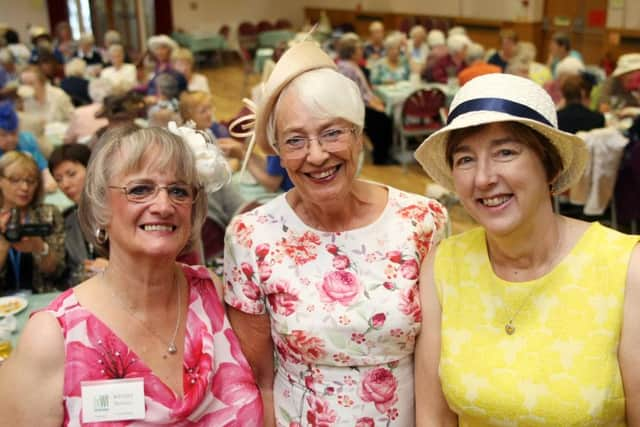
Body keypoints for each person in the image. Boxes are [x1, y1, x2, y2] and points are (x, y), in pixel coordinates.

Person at [224, 40, 448, 427]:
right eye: (295, 140)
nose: (315, 155)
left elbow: (436, 365)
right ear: (278, 151)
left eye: (332, 133)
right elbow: (259, 380)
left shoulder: (422, 220)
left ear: (359, 135)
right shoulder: (250, 236)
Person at [414, 73, 640, 424]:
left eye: (506, 152)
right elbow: (434, 419)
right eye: (465, 159)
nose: (483, 178)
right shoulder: (444, 266)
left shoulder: (625, 268)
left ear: (549, 166)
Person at [0, 124, 264, 425]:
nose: (164, 206)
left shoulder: (209, 293)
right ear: (101, 207)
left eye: (178, 191)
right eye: (140, 189)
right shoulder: (55, 336)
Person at [0, 151, 64, 294]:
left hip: (41, 300)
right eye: (15, 180)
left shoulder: (48, 214)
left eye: (31, 181)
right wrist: (3, 244)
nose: (24, 188)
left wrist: (41, 248)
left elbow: (57, 272)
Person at [49, 143, 108, 286]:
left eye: (71, 174)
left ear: (92, 170)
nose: (65, 184)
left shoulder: (119, 210)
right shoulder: (67, 219)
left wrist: (113, 269)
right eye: (58, 179)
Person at [336, 33, 395, 165]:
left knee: (385, 114)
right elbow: (355, 95)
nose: (362, 52)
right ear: (352, 53)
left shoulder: (351, 65)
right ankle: (380, 157)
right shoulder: (348, 69)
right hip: (355, 109)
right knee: (383, 120)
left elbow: (363, 90)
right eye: (359, 49)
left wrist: (375, 101)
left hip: (362, 104)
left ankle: (385, 153)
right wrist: (374, 104)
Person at [63, 77, 111, 144]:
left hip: (84, 151)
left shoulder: (78, 113)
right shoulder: (117, 112)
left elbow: (67, 140)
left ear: (90, 92)